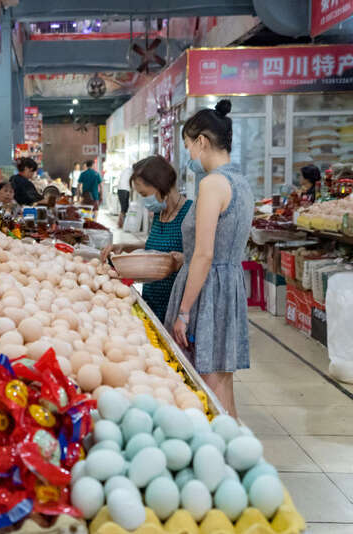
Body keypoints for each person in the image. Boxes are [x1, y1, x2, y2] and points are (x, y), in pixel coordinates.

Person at [165, 99, 254, 417]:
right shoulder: (240, 182)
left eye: (189, 146)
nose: (190, 155)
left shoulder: (213, 184)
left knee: (204, 387)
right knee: (221, 384)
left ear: (202, 141)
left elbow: (204, 254)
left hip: (207, 292)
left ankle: (219, 446)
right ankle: (234, 444)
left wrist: (184, 312)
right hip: (229, 287)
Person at [101, 156, 191, 322]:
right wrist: (124, 246)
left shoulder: (190, 214)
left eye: (144, 194)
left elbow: (202, 259)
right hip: (152, 299)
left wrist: (183, 260)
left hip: (176, 306)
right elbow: (155, 246)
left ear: (160, 184)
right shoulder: (159, 213)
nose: (144, 200)